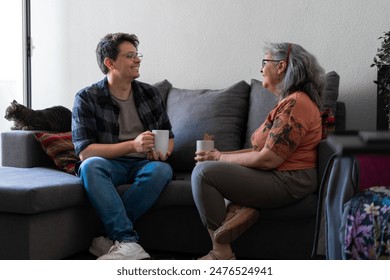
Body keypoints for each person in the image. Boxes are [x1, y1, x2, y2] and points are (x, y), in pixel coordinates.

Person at [191, 42, 324, 260]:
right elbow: (259, 150)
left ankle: (221, 253)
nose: (261, 69)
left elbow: (268, 159)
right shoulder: (288, 102)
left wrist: (219, 159)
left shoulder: (296, 103)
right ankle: (240, 207)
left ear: (281, 66)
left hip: (288, 179)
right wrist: (218, 155)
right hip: (278, 173)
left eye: (265, 62)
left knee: (203, 174)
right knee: (209, 166)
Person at [72, 32, 174, 260]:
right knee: (91, 166)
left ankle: (108, 237)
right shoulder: (87, 98)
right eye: (130, 56)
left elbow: (169, 136)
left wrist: (164, 151)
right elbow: (85, 152)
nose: (137, 60)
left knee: (162, 170)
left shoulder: (150, 93)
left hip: (145, 164)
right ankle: (128, 241)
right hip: (109, 164)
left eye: (137, 55)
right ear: (110, 63)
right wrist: (132, 146)